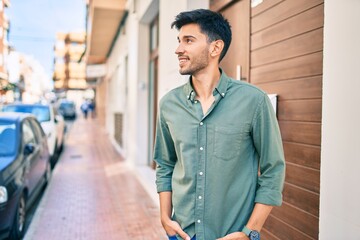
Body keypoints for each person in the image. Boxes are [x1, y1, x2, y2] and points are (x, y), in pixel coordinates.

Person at [153, 9, 285, 240]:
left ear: (215, 48)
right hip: (182, 233)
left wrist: (249, 232)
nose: (178, 50)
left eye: (189, 41)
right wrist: (165, 217)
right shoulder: (169, 104)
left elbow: (273, 169)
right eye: (179, 41)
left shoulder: (254, 101)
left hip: (232, 235)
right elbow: (165, 164)